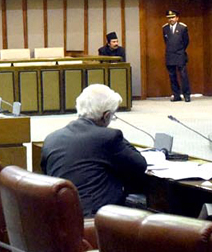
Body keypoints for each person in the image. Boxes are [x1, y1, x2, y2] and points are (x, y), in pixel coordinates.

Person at [41, 84, 147, 218]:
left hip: (61, 217)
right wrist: (111, 133)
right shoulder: (108, 137)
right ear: (106, 115)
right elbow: (139, 164)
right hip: (94, 221)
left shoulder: (52, 138)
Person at [162, 9, 191, 102]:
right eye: (169, 18)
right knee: (172, 76)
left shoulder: (183, 27)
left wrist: (180, 50)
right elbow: (166, 41)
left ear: (177, 18)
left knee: (183, 75)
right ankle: (176, 95)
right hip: (170, 54)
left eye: (173, 17)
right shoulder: (165, 28)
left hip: (180, 54)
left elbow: (186, 41)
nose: (171, 19)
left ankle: (186, 95)